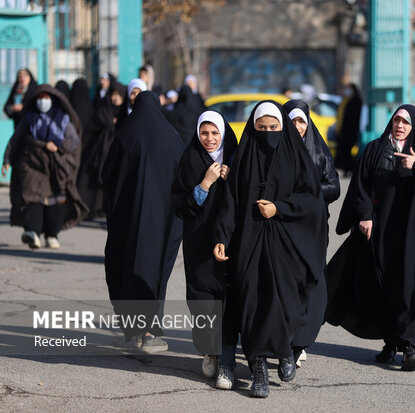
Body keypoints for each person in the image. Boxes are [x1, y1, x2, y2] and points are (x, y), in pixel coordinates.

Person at [213, 100, 326, 398]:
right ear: (253, 128)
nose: (267, 133)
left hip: (286, 244)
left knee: (285, 302)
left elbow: (312, 200)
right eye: (261, 128)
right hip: (248, 243)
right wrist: (222, 236)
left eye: (273, 128)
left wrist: (280, 207)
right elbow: (230, 203)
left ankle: (286, 350)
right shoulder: (242, 160)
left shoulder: (296, 157)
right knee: (252, 303)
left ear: (282, 128)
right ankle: (258, 368)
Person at [325, 104, 415, 371]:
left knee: (410, 285)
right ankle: (391, 342)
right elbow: (360, 184)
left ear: (414, 128)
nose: (399, 125)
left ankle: (411, 347)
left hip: (412, 235)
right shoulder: (376, 148)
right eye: (397, 120)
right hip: (380, 229)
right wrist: (364, 214)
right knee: (383, 284)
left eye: (405, 122)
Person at [102, 91, 185, 353]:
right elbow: (182, 177)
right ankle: (149, 331)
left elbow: (108, 177)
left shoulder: (126, 135)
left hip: (127, 220)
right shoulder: (171, 137)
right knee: (154, 272)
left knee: (126, 267)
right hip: (161, 222)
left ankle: (135, 329)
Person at [172, 110, 238, 390]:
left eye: (214, 133)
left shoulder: (236, 159)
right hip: (199, 242)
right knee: (201, 299)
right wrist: (205, 185)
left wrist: (232, 180)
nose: (209, 139)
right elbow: (180, 207)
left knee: (229, 300)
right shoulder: (189, 160)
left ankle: (226, 360)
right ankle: (209, 351)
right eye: (204, 132)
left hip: (231, 242)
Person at [283, 99, 340, 366]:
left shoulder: (319, 150)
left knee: (310, 278)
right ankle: (286, 334)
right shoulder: (277, 149)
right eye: (292, 121)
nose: (297, 127)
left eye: (301, 121)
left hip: (314, 227)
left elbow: (335, 187)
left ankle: (301, 336)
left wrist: (310, 194)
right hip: (283, 226)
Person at [1, 84, 87, 249]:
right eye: (40, 99)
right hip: (33, 164)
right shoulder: (29, 118)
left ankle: (52, 234)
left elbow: (74, 142)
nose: (43, 102)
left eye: (46, 98)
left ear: (53, 100)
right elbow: (16, 139)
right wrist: (6, 160)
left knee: (55, 201)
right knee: (32, 198)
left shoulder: (63, 119)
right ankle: (33, 232)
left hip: (56, 167)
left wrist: (58, 145)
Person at [77, 81, 125, 217]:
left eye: (118, 95)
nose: (115, 98)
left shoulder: (125, 112)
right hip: (98, 151)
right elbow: (91, 129)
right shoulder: (103, 109)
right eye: (113, 95)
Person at [333, 83, 362, 176]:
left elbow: (354, 118)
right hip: (342, 130)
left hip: (351, 131)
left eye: (349, 89)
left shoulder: (356, 101)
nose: (347, 91)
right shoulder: (345, 101)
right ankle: (345, 169)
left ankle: (349, 169)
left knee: (348, 151)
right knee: (342, 150)